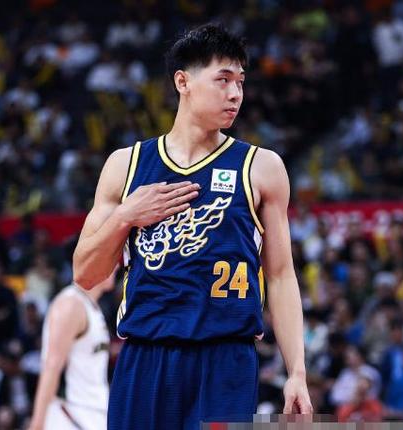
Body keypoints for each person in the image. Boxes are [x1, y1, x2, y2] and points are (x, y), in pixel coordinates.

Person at [72, 24, 312, 429]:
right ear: (182, 82)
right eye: (223, 80)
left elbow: (281, 274)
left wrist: (297, 372)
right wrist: (126, 216)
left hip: (225, 359)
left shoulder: (262, 167)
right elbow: (85, 274)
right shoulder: (126, 166)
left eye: (240, 82)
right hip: (145, 355)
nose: (235, 94)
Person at [28, 272, 115, 430]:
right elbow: (52, 367)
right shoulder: (71, 304)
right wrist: (37, 424)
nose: (117, 266)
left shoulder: (91, 305)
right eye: (113, 261)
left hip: (93, 413)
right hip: (71, 414)